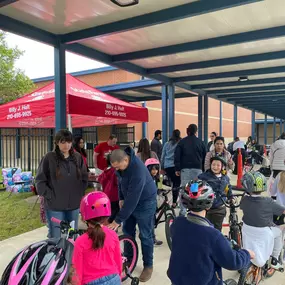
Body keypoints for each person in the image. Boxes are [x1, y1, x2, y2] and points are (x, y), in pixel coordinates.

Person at [167, 180, 254, 285]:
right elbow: (233, 262)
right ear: (209, 206)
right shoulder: (213, 236)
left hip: (177, 279)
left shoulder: (177, 224)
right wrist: (247, 254)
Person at [108, 148, 157, 282]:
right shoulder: (120, 167)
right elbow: (120, 182)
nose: (116, 170)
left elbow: (133, 199)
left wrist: (117, 220)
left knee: (145, 235)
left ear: (126, 160)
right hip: (130, 200)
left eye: (118, 167)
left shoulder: (138, 171)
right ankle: (129, 259)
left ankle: (148, 265)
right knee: (128, 232)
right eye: (114, 168)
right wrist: (120, 198)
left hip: (145, 202)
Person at [36, 129, 88, 238]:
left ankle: (69, 255)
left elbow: (84, 177)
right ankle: (55, 254)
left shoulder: (78, 157)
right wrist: (50, 196)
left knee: (72, 236)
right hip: (54, 206)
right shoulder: (49, 158)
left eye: (69, 142)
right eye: (63, 142)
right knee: (56, 237)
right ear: (57, 143)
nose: (66, 145)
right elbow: (40, 181)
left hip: (74, 205)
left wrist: (79, 193)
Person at [72, 191, 122, 285]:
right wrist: (118, 277)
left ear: (83, 218)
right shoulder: (113, 235)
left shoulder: (80, 241)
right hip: (114, 279)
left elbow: (77, 272)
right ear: (107, 216)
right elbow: (118, 261)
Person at [240, 171, 285, 270]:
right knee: (279, 232)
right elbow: (283, 211)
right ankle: (274, 258)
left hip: (247, 229)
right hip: (263, 232)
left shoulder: (244, 200)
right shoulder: (268, 202)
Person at [174, 124, 206, 216]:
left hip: (185, 170)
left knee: (184, 190)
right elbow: (205, 157)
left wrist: (177, 168)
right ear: (196, 131)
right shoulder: (200, 142)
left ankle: (183, 211)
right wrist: (203, 169)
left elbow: (177, 155)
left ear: (187, 131)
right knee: (195, 190)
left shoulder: (182, 142)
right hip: (198, 169)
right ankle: (195, 210)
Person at [199, 156, 232, 231]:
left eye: (218, 165)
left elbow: (228, 189)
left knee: (217, 229)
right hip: (206, 208)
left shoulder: (225, 178)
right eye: (213, 164)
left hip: (219, 209)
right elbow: (197, 187)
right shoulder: (204, 176)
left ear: (222, 167)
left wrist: (231, 198)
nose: (215, 167)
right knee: (205, 228)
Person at [145, 158, 163, 246]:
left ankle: (152, 237)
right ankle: (152, 238)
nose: (154, 171)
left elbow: (159, 187)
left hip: (153, 202)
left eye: (156, 169)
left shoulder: (156, 178)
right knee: (150, 222)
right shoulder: (146, 179)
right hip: (147, 203)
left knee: (152, 220)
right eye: (152, 169)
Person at [161, 129, 181, 208]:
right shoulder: (179, 144)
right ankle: (174, 202)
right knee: (177, 184)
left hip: (167, 167)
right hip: (176, 167)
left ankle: (168, 200)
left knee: (172, 183)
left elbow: (163, 157)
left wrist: (162, 167)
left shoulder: (166, 144)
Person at [97, 155, 120, 223]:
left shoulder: (106, 170)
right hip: (115, 195)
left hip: (106, 195)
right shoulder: (115, 171)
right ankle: (111, 225)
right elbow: (117, 182)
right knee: (116, 211)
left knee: (108, 211)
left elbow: (99, 179)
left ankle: (107, 223)